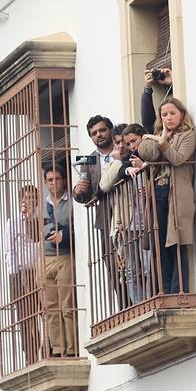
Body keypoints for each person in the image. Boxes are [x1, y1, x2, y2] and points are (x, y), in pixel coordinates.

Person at [137, 98, 196, 294]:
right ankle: (164, 290)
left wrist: (161, 142)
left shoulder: (188, 135)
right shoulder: (161, 136)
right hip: (159, 192)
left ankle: (178, 291)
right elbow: (147, 154)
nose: (169, 118)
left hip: (177, 193)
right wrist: (157, 139)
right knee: (160, 244)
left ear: (181, 114)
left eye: (172, 113)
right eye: (164, 115)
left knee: (177, 243)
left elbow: (178, 159)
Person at [74, 114, 124, 310]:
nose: (99, 135)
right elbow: (84, 194)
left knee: (131, 259)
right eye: (94, 133)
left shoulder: (122, 148)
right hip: (105, 218)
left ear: (110, 130)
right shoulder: (88, 160)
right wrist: (78, 192)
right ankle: (124, 305)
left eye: (102, 130)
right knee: (112, 264)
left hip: (126, 212)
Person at [101, 123, 154, 303]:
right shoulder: (116, 165)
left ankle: (148, 300)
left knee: (148, 266)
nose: (124, 146)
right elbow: (104, 185)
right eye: (119, 143)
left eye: (130, 142)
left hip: (145, 222)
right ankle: (140, 304)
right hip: (127, 226)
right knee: (131, 271)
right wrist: (117, 161)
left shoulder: (144, 156)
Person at [4, 185, 44, 365]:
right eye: (27, 198)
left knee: (45, 311)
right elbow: (9, 251)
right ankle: (31, 356)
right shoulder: (12, 222)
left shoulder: (42, 220)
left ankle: (47, 350)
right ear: (21, 200)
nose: (30, 201)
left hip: (39, 271)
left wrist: (30, 219)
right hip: (22, 274)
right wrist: (15, 276)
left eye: (33, 198)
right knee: (26, 319)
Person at [41, 165, 77, 358]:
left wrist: (64, 235)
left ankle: (71, 348)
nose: (54, 183)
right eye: (50, 180)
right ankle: (57, 348)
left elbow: (78, 227)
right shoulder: (41, 207)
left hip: (65, 256)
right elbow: (33, 233)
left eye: (57, 179)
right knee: (51, 307)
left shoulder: (71, 202)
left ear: (64, 180)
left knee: (67, 305)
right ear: (45, 183)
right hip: (45, 258)